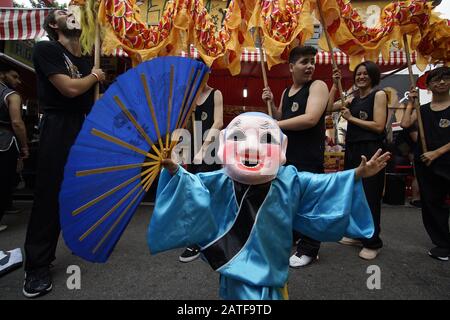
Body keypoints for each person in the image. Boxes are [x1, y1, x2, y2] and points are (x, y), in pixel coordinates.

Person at [149, 112, 390, 299]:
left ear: (282, 148)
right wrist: (176, 172)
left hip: (270, 262)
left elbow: (324, 184)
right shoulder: (220, 179)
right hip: (232, 262)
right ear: (222, 146)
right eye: (238, 137)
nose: (252, 147)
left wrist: (356, 174)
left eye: (266, 139)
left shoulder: (290, 179)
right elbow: (194, 189)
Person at [23, 9, 105, 298]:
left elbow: (87, 97)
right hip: (58, 126)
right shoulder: (46, 49)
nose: (71, 15)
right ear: (52, 24)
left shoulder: (84, 58)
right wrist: (94, 76)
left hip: (83, 127)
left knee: (78, 192)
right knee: (49, 195)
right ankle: (36, 266)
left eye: (73, 13)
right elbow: (69, 88)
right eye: (63, 13)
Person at [261, 46, 329, 267]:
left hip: (309, 155)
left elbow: (310, 118)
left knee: (311, 203)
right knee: (289, 200)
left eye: (312, 61)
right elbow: (281, 116)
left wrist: (274, 124)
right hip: (287, 156)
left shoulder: (318, 86)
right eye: (304, 62)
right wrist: (270, 103)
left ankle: (310, 249)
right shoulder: (286, 91)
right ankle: (294, 236)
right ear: (291, 67)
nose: (310, 66)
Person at [329, 61, 388, 260]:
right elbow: (329, 107)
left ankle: (373, 242)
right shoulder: (352, 98)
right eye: (358, 74)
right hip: (352, 148)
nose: (361, 77)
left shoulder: (378, 95)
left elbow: (379, 126)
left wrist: (351, 119)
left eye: (365, 74)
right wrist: (334, 84)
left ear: (373, 76)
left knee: (370, 195)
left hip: (371, 149)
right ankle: (357, 234)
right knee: (354, 193)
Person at [400, 66, 450, 261]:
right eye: (436, 79)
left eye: (446, 78)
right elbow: (405, 124)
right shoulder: (422, 110)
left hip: (444, 158)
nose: (441, 82)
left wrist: (436, 153)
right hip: (426, 162)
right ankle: (443, 244)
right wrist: (412, 102)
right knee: (431, 204)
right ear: (428, 85)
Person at [179, 81, 224, 263]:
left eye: (205, 73)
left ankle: (198, 241)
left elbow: (219, 122)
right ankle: (205, 234)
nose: (202, 78)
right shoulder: (189, 96)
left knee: (204, 193)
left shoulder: (216, 93)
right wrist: (182, 150)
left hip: (210, 148)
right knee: (194, 193)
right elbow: (185, 124)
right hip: (192, 148)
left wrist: (204, 149)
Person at [0, 65, 29, 232]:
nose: (18, 81)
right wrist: (24, 146)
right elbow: (17, 123)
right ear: (2, 74)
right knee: (4, 181)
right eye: (15, 76)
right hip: (4, 142)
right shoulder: (11, 95)